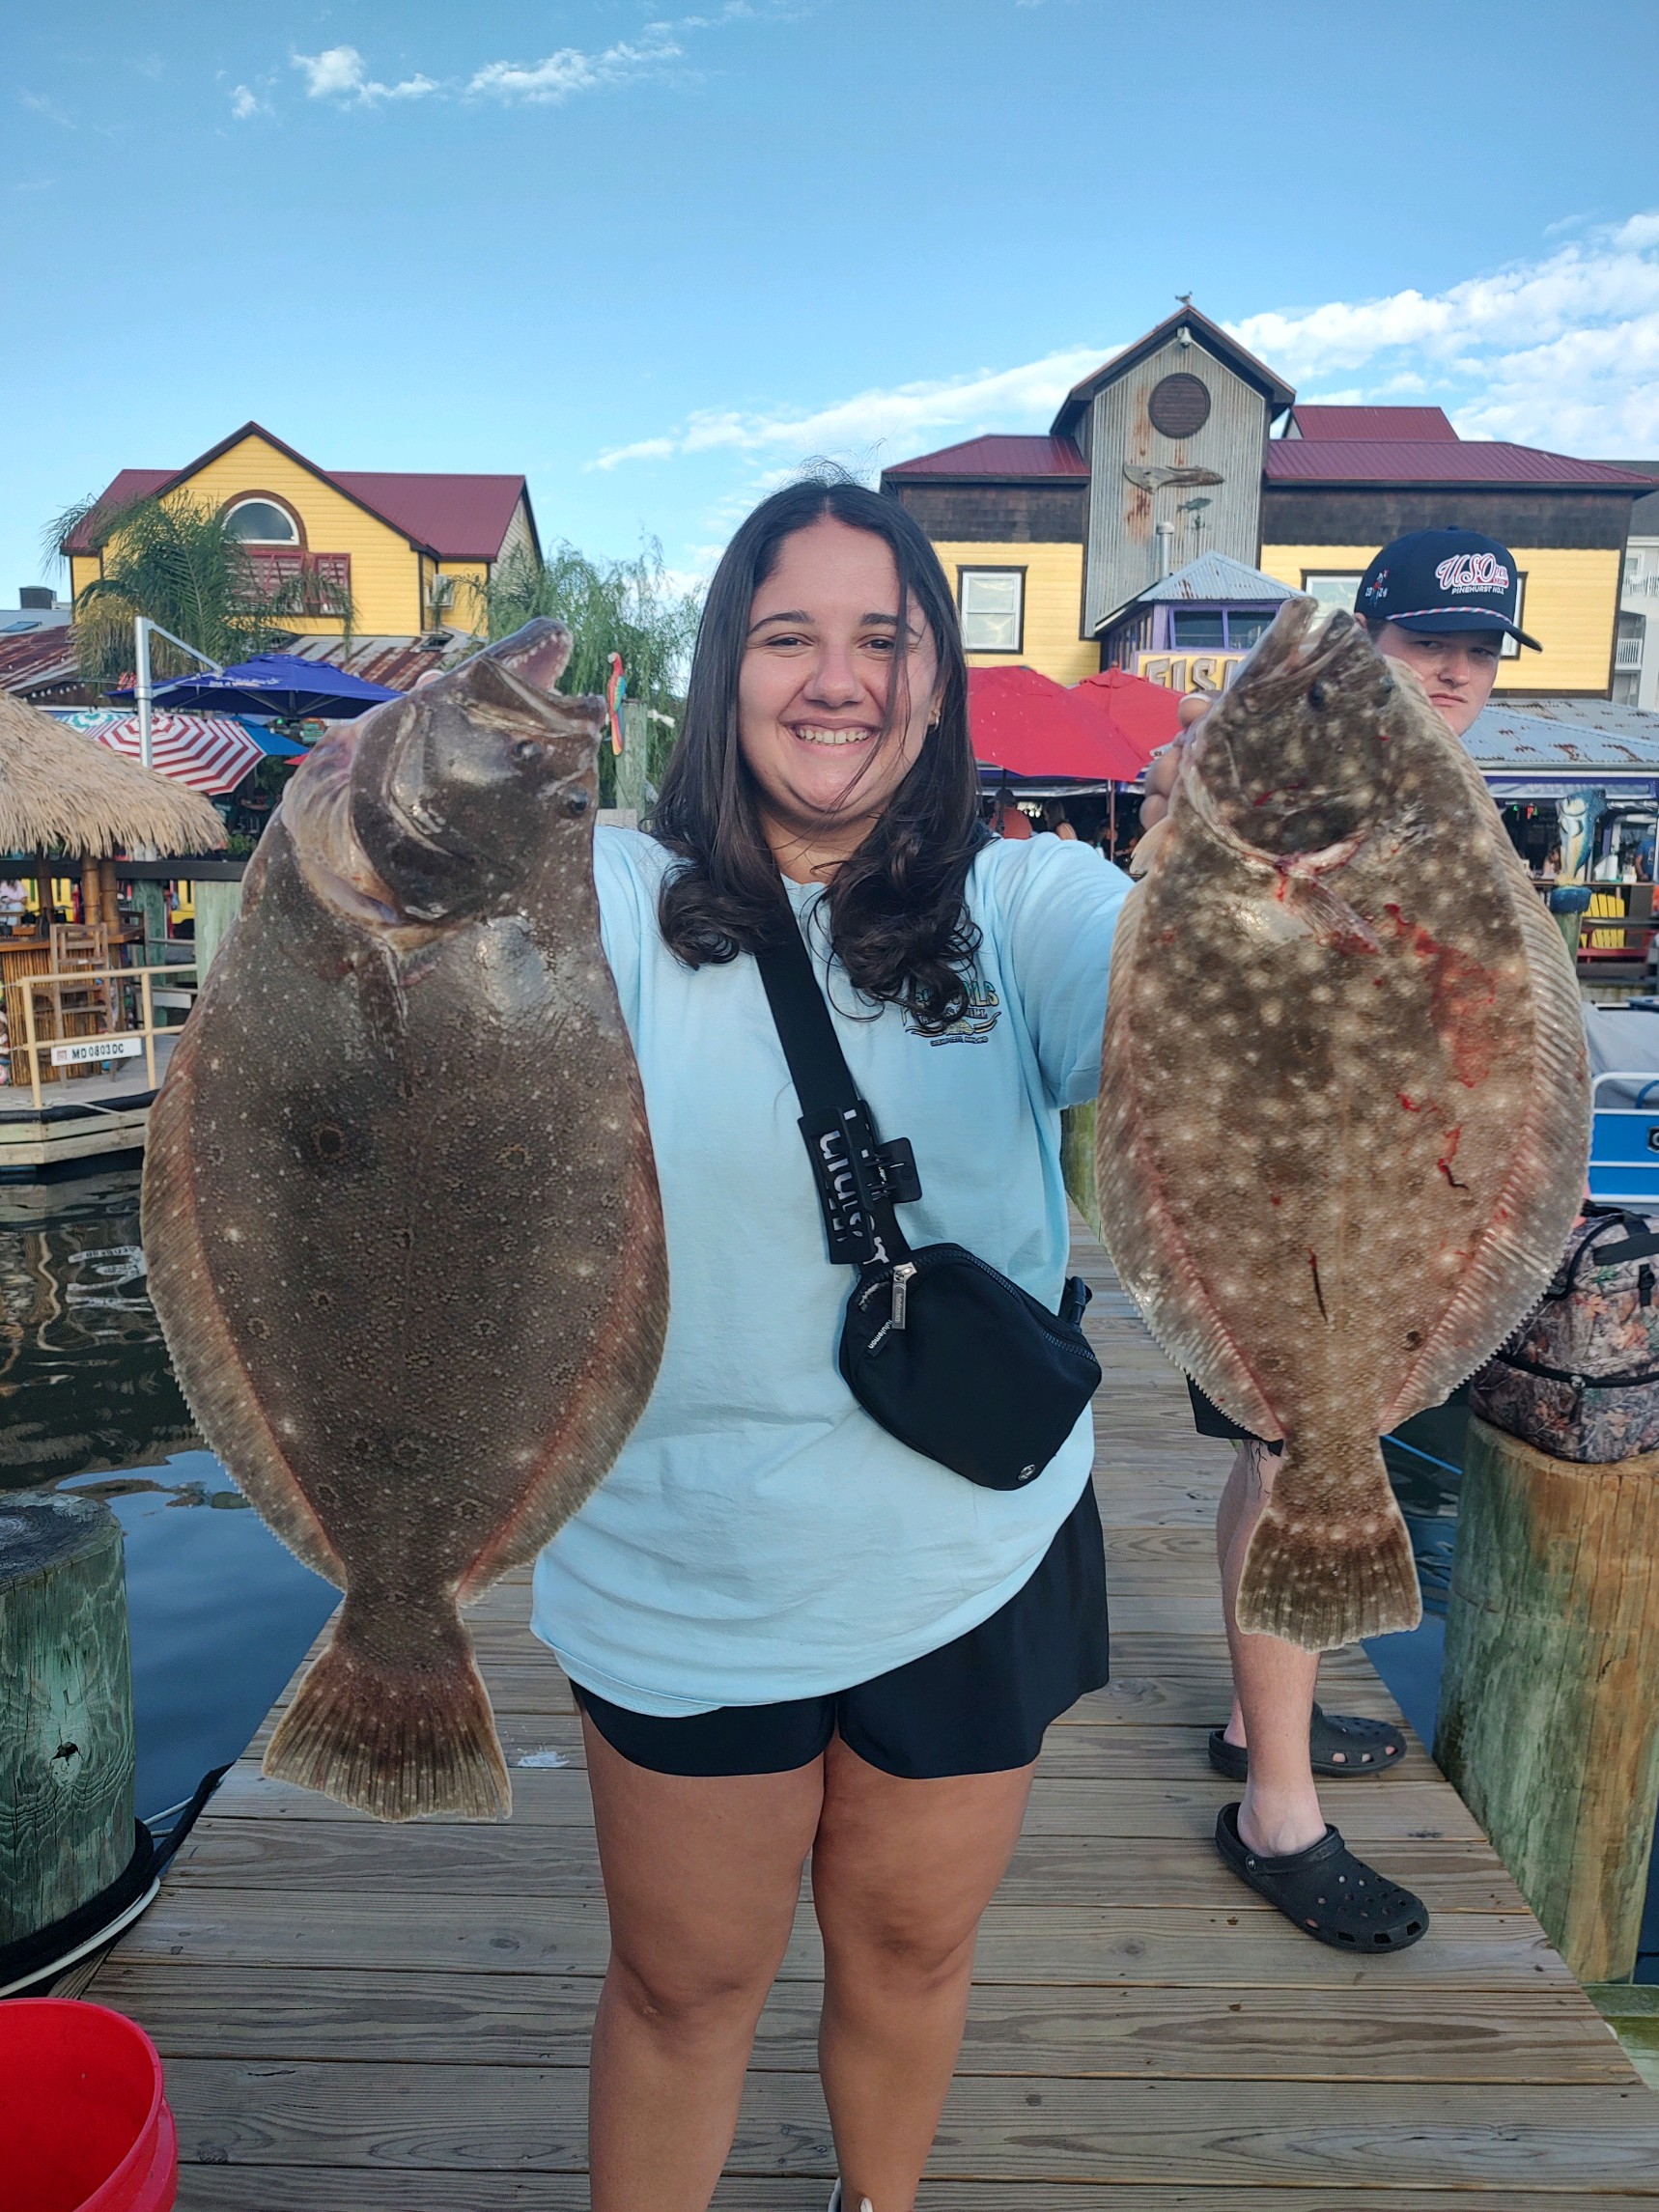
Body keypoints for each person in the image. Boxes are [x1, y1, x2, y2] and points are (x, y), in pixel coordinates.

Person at [537, 477, 1130, 2212]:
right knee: (680, 1986)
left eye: (884, 639)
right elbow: (419, 959)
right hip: (682, 1555)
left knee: (909, 1960)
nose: (838, 680)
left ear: (935, 681)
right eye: (789, 637)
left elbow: (1162, 993)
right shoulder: (610, 901)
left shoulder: (1024, 903)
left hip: (970, 1549)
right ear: (724, 672)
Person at [1139, 527, 1538, 1946]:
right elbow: (1197, 907)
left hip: (1367, 1197)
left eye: (1479, 650)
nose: (1452, 671)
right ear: (1369, 638)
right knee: (1289, 1450)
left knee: (1289, 1454)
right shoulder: (1293, 785)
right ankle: (1276, 1814)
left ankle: (1266, 1728)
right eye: (1426, 639)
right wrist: (1181, 804)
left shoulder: (1443, 802)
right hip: (1272, 1191)